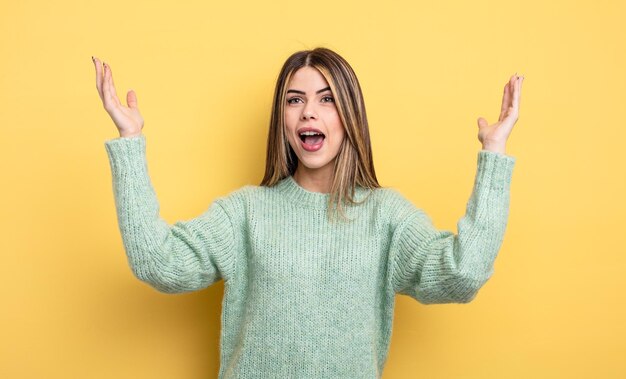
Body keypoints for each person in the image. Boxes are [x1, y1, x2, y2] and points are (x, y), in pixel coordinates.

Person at [92, 47, 523, 378]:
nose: (308, 111)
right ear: (282, 118)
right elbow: (158, 264)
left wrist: (494, 154)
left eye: (326, 99)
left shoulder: (387, 218)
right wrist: (130, 142)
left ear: (350, 114)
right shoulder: (246, 213)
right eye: (294, 100)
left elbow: (463, 275)